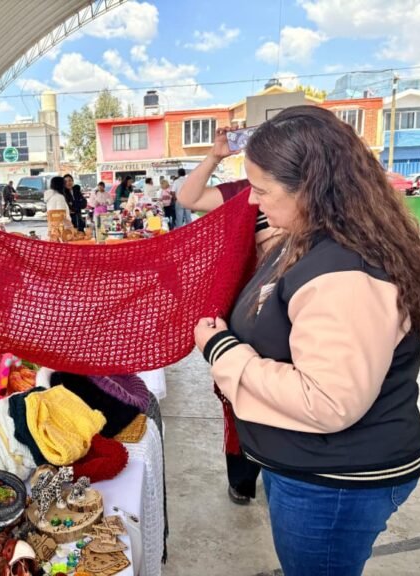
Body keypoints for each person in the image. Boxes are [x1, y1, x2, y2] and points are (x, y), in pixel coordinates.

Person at [194, 106, 420, 575]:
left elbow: (327, 400)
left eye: (261, 190)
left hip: (336, 482)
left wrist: (225, 352)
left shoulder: (348, 272)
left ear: (310, 189)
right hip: (312, 468)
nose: (251, 202)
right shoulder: (310, 237)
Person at [179, 128, 276, 505]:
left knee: (279, 390)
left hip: (291, 304)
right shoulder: (243, 191)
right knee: (239, 390)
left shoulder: (314, 194)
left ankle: (279, 471)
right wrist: (215, 156)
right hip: (248, 305)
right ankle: (242, 477)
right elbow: (188, 198)